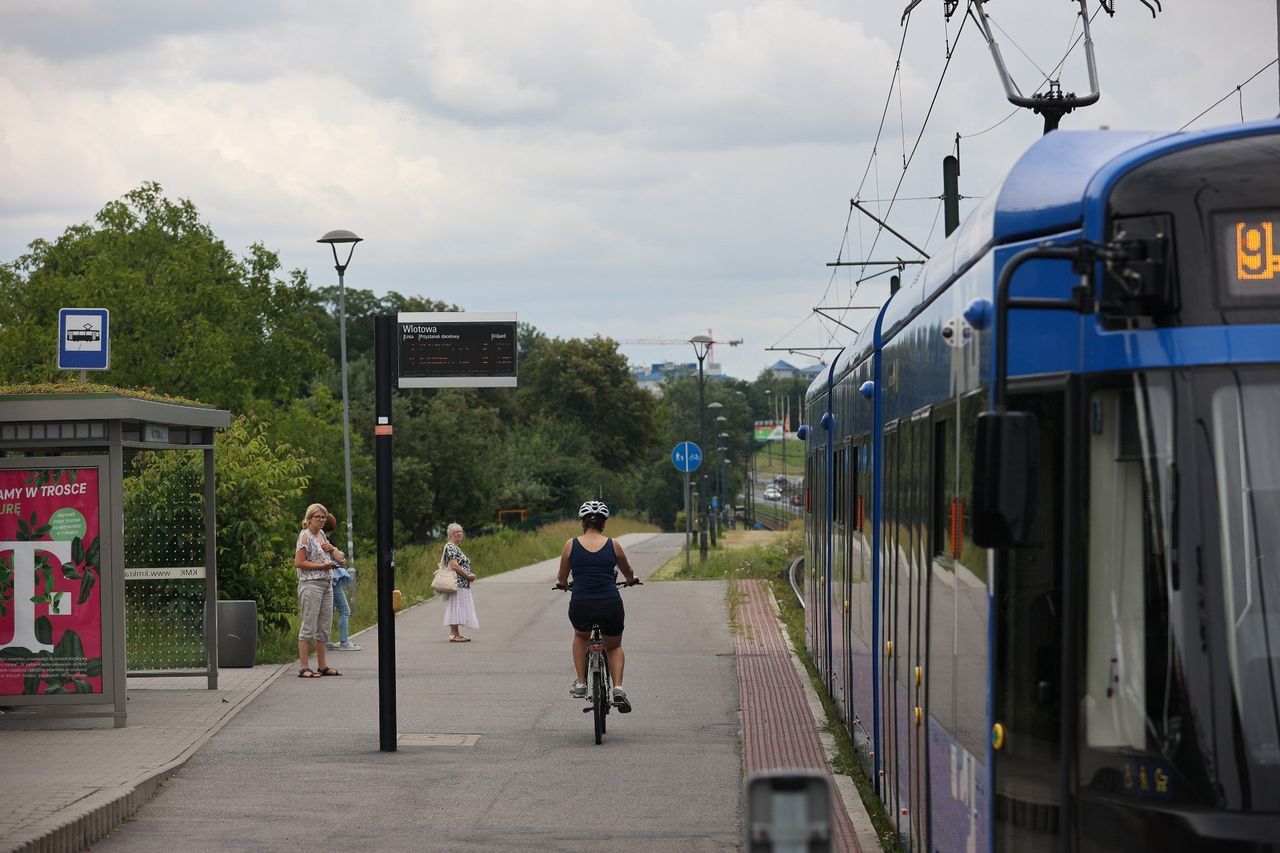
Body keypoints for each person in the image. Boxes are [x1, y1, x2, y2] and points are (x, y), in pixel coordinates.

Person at [555, 500, 638, 712]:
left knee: (581, 636)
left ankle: (581, 683)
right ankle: (618, 688)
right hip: (610, 604)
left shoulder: (570, 545)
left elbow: (562, 577)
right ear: (603, 523)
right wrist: (631, 579)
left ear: (583, 522)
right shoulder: (614, 545)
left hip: (581, 604)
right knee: (614, 645)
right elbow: (628, 572)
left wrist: (563, 585)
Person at [294, 503, 342, 677]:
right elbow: (299, 562)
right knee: (308, 625)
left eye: (323, 517)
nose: (321, 520)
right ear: (309, 519)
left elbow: (340, 559)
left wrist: (333, 550)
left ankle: (322, 665)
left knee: (323, 627)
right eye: (317, 517)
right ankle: (304, 666)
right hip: (310, 584)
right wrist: (322, 566)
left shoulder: (322, 535)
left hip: (326, 584)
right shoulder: (305, 536)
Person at [323, 513, 361, 652]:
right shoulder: (327, 541)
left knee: (330, 611)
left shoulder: (321, 539)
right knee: (345, 610)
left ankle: (326, 641)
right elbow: (338, 558)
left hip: (328, 579)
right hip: (334, 580)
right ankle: (344, 641)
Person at [440, 523, 479, 642]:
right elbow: (454, 565)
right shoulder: (450, 547)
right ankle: (454, 634)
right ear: (450, 535)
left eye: (460, 531)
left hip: (462, 584)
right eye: (456, 532)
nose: (459, 534)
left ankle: (456, 634)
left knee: (457, 607)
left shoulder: (456, 548)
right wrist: (468, 576)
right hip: (457, 583)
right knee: (455, 606)